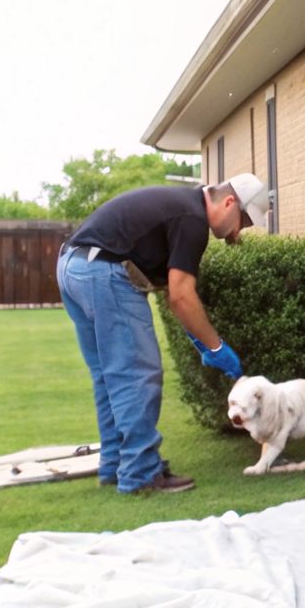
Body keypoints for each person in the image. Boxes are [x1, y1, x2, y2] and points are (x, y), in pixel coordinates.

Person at [56, 173, 271, 494]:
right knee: (137, 374)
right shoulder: (192, 219)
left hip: (73, 267)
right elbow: (181, 295)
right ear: (229, 203)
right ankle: (141, 473)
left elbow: (173, 292)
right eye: (243, 221)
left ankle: (115, 465)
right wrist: (217, 347)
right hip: (104, 274)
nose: (239, 231)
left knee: (109, 376)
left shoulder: (183, 205)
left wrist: (200, 339)